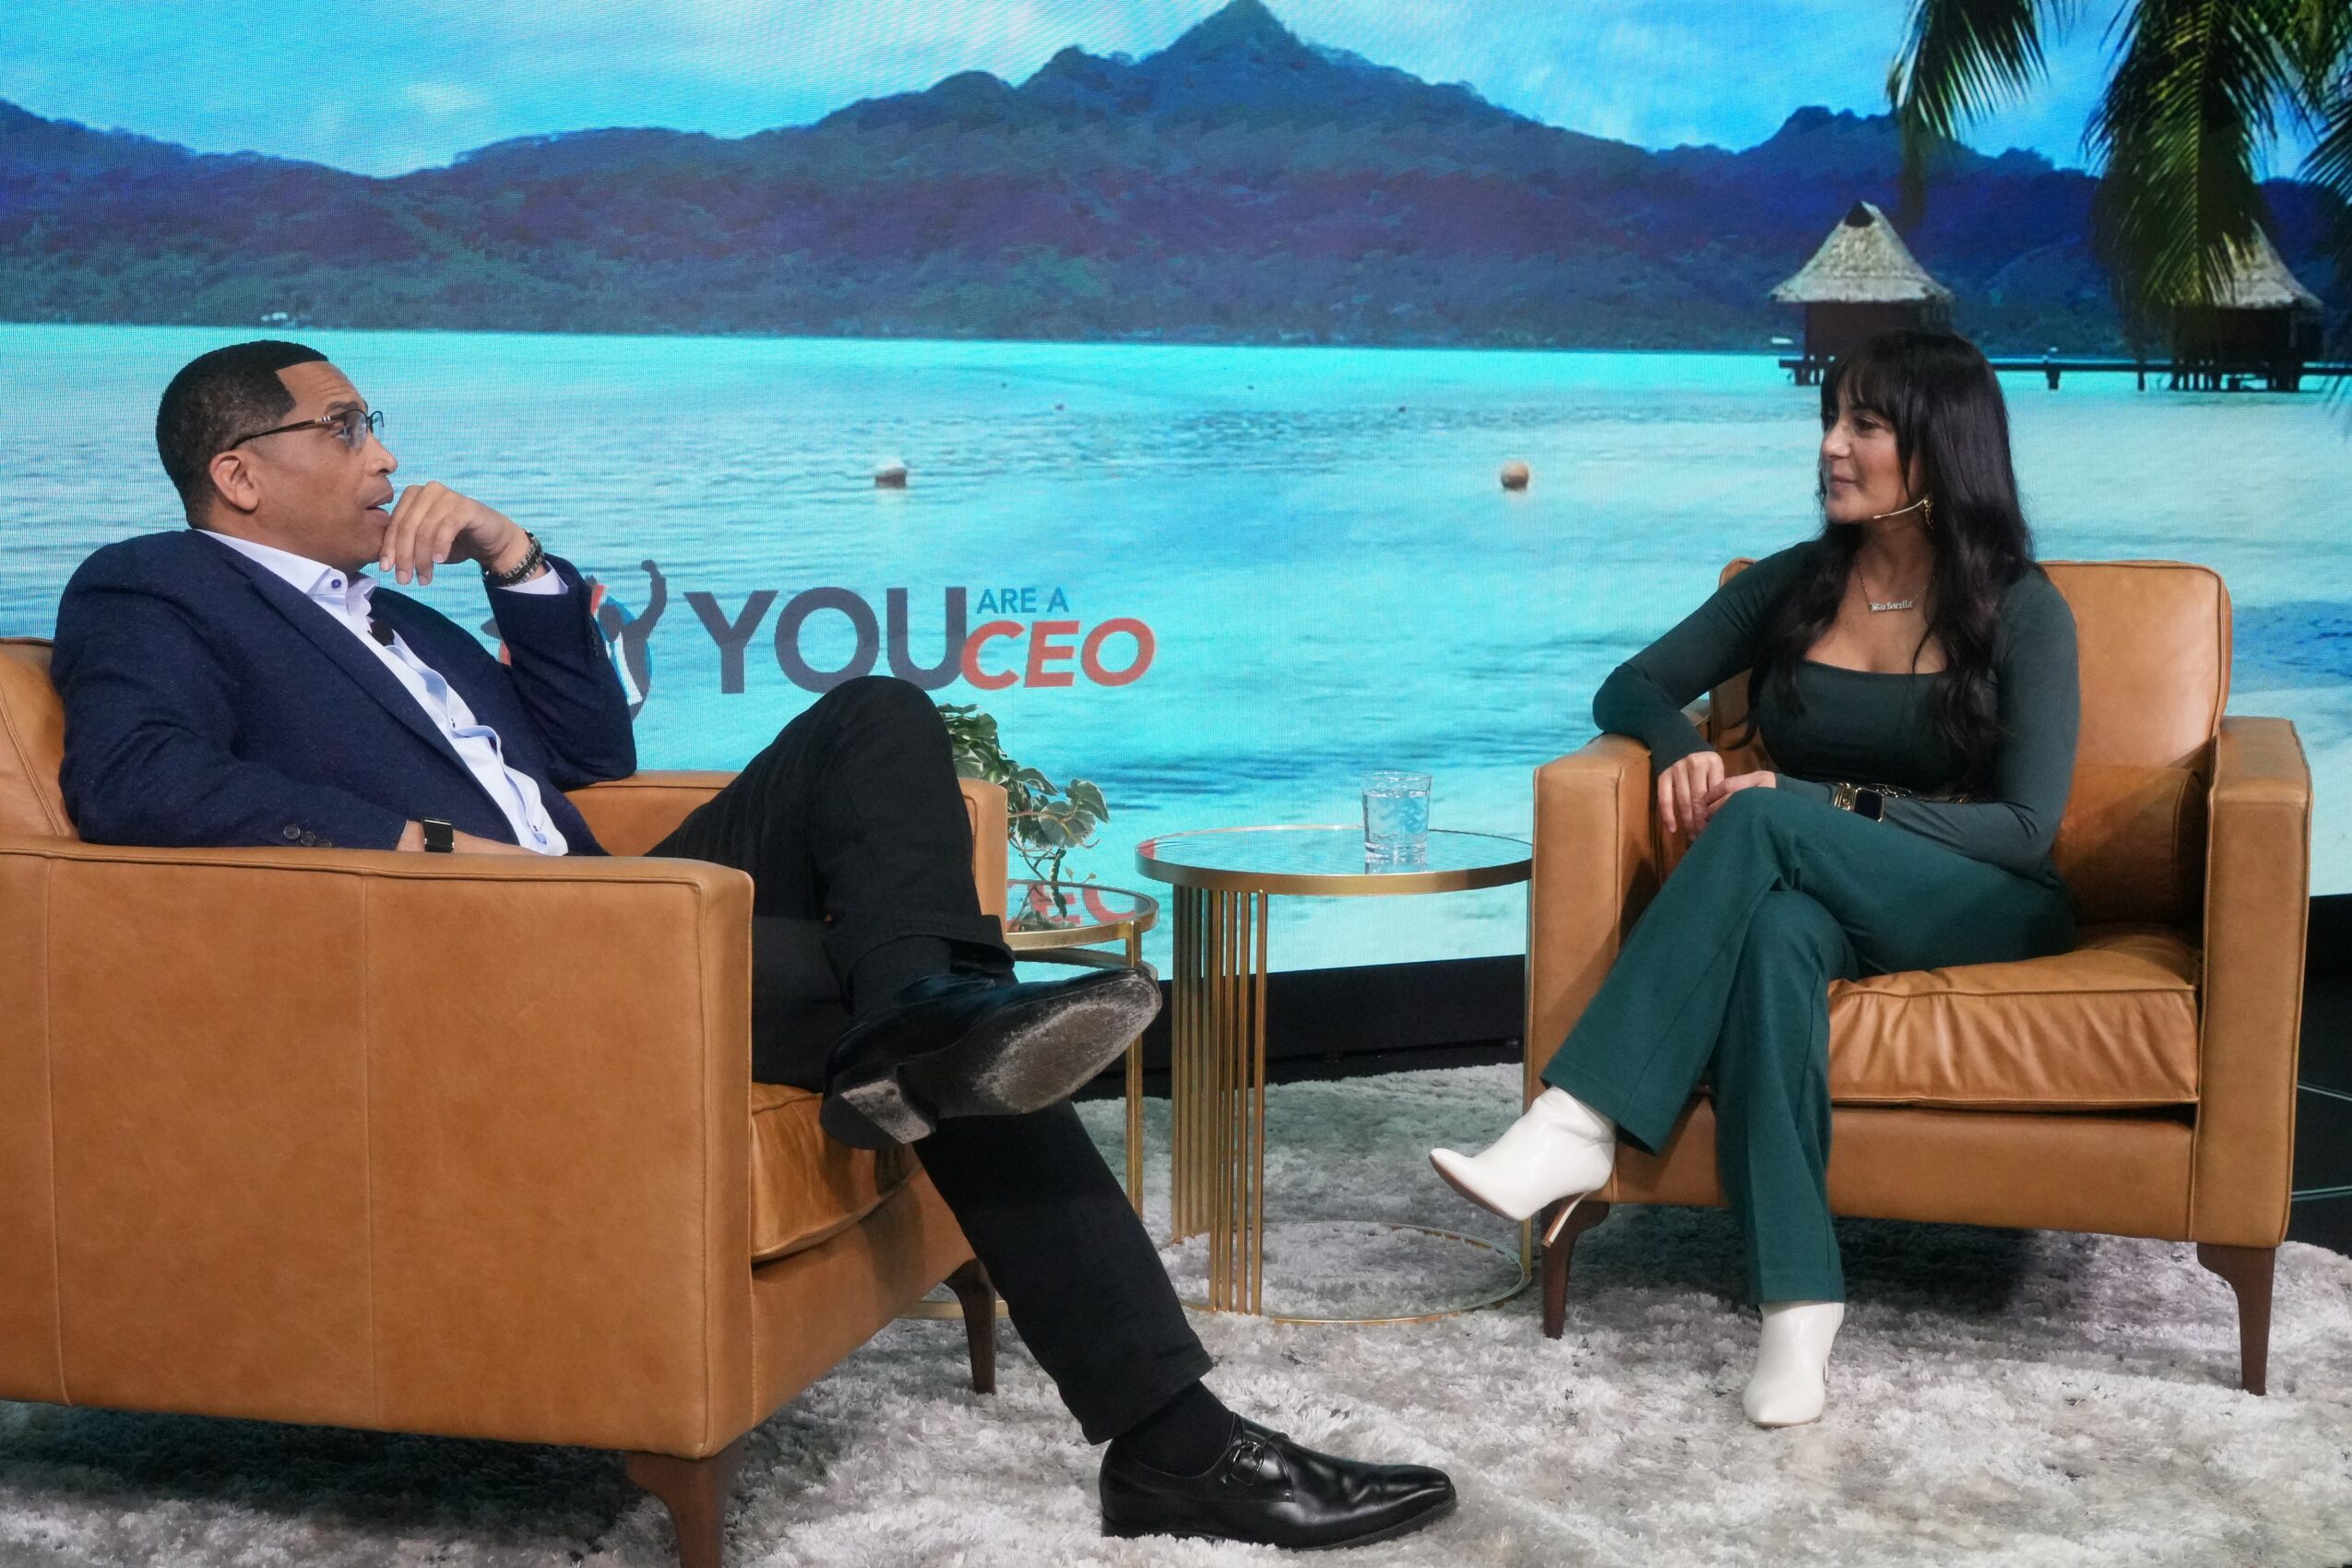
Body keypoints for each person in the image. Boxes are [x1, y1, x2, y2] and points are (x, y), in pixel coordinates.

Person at [49, 340, 1455, 1550]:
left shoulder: (398, 615)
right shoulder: (154, 589)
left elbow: (589, 756)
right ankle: (1169, 1436)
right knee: (974, 1040)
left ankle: (921, 1008)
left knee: (878, 714)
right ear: (239, 471)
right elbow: (138, 777)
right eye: (346, 428)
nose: (386, 453)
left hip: (612, 911)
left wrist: (517, 564)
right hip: (490, 963)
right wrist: (417, 850)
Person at [1430, 329, 2080, 1428]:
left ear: (1939, 448)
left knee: (1768, 816)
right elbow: (1628, 686)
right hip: (1814, 887)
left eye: (1864, 425)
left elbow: (2025, 828)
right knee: (1775, 938)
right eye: (1830, 418)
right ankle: (1799, 1300)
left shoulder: (2022, 608)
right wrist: (1683, 748)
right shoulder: (1794, 584)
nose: (1831, 445)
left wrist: (1824, 801)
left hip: (1982, 897)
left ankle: (1579, 1117)